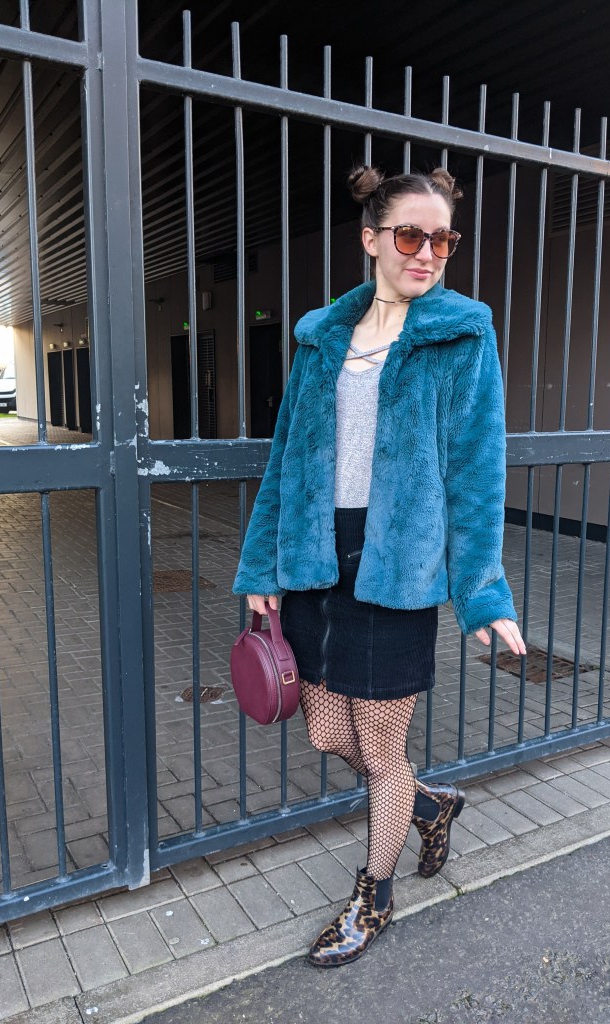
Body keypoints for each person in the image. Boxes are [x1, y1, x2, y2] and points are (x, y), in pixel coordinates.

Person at [233, 164, 526, 967]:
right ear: (371, 240)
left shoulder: (460, 335)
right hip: (313, 561)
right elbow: (287, 459)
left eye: (443, 239)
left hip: (395, 565)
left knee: (382, 747)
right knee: (327, 731)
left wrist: (483, 593)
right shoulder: (320, 337)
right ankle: (431, 806)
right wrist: (262, 567)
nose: (427, 252)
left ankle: (375, 895)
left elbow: (475, 472)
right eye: (410, 235)